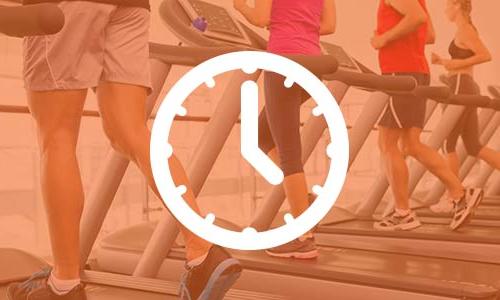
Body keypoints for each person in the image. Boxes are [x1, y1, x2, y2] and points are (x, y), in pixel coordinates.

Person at [8, 1, 241, 300]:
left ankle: (64, 283)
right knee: (131, 132)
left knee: (57, 137)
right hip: (131, 5)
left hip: (66, 6)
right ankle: (202, 250)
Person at [234, 0, 336, 259]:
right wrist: (298, 25)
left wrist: (240, 7)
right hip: (313, 64)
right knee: (260, 135)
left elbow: (259, 18)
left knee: (289, 151)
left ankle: (303, 237)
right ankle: (305, 201)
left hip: (284, 60)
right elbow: (329, 26)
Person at [371, 0, 482, 231]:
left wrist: (384, 38)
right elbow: (429, 34)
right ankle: (460, 193)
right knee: (411, 144)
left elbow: (417, 19)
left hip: (399, 72)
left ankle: (403, 213)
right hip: (417, 70)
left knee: (387, 143)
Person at [430, 0, 498, 213]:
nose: (445, 10)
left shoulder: (465, 30)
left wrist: (453, 65)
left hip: (461, 87)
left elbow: (485, 55)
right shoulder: (465, 30)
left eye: (447, 6)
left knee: (448, 144)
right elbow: (465, 59)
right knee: (473, 146)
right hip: (465, 85)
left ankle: (453, 197)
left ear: (457, 5)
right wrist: (443, 62)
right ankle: (453, 195)